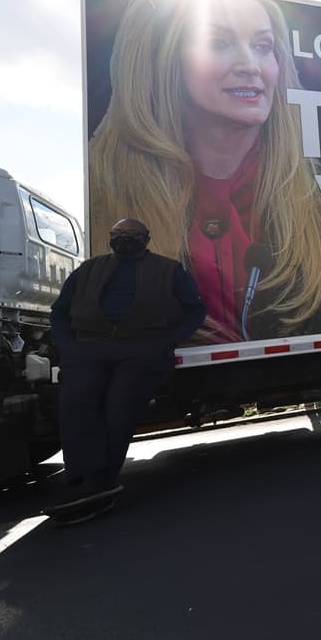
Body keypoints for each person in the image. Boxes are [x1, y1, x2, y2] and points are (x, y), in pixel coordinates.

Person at [88, 0, 321, 343]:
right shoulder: (106, 191)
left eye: (263, 47)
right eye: (219, 43)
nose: (249, 66)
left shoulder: (317, 199)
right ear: (163, 59)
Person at [48, 219, 206, 524]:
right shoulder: (89, 270)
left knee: (119, 406)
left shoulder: (168, 270)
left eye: (133, 236)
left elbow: (195, 309)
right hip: (89, 348)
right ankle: (83, 478)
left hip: (141, 349)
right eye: (119, 235)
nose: (126, 240)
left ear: (146, 239)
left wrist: (166, 341)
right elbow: (59, 312)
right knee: (77, 403)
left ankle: (101, 483)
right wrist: (70, 347)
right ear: (110, 238)